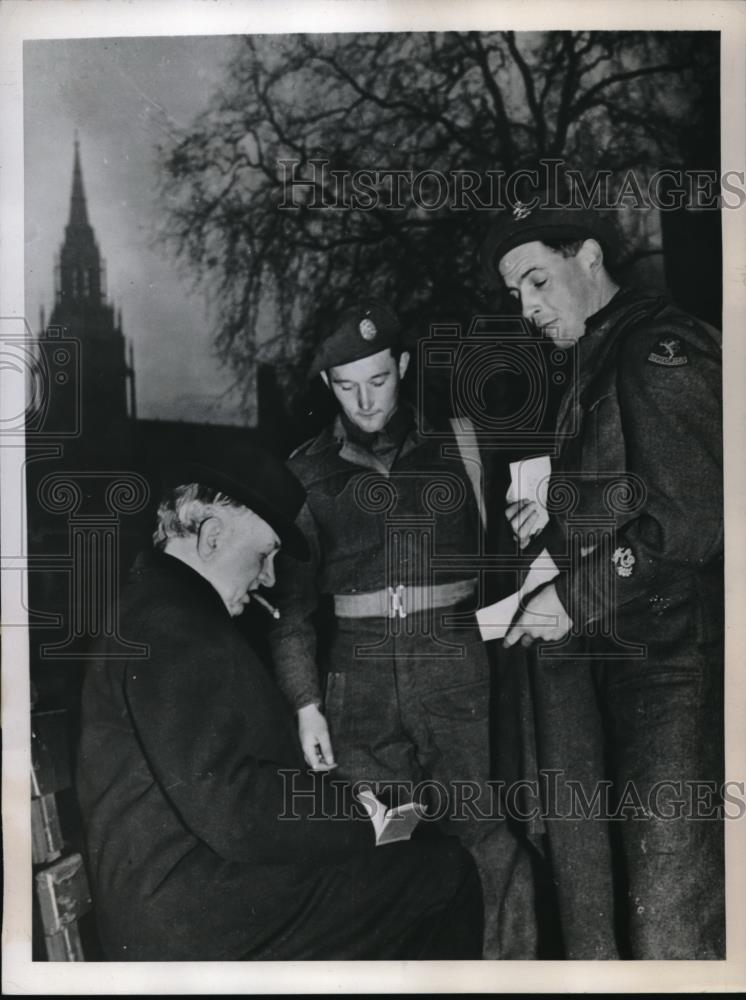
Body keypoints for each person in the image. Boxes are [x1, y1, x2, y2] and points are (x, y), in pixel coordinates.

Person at [76, 448, 484, 960]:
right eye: (264, 554)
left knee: (416, 861)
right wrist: (364, 823)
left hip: (194, 894)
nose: (268, 577)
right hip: (194, 916)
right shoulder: (171, 623)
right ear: (213, 536)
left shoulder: (164, 610)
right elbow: (233, 809)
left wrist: (353, 812)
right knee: (444, 874)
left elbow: (231, 784)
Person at [480, 197, 724, 959]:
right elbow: (631, 493)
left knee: (668, 917)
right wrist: (554, 524)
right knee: (615, 904)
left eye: (537, 281)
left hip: (677, 673)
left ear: (589, 257)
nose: (527, 309)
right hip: (621, 666)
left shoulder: (657, 349)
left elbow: (693, 520)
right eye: (515, 295)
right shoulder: (591, 359)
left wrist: (570, 596)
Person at [268, 298, 538, 959]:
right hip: (354, 679)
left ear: (405, 366)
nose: (364, 401)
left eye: (379, 380)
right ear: (326, 386)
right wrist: (305, 704)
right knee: (382, 842)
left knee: (486, 837)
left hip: (455, 663)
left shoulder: (464, 447)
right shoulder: (303, 474)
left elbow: (515, 550)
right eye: (345, 385)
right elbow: (293, 610)